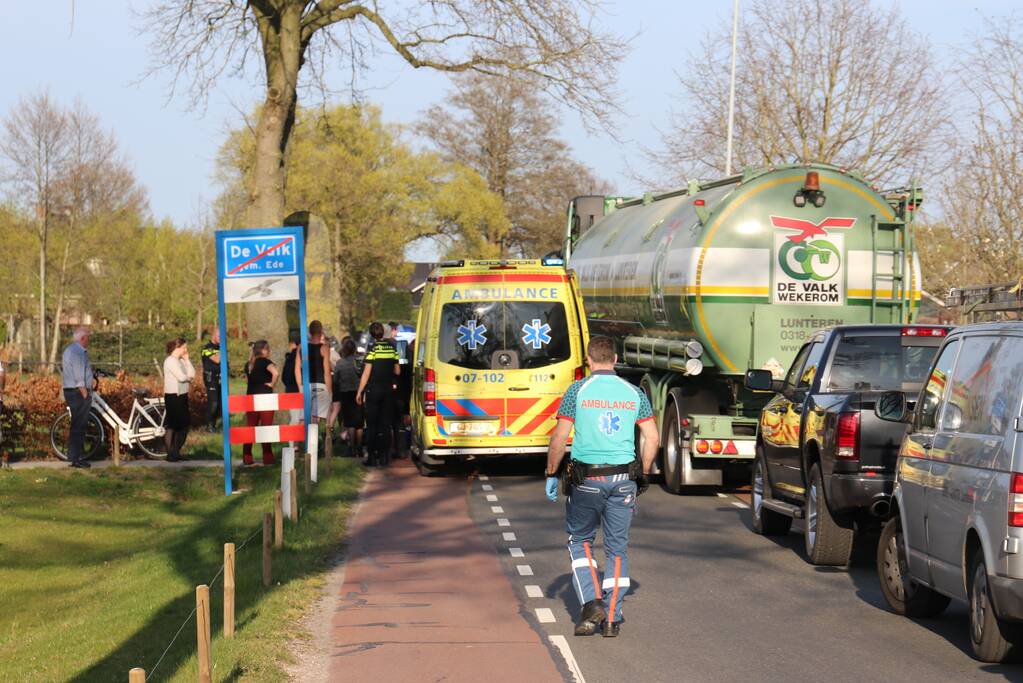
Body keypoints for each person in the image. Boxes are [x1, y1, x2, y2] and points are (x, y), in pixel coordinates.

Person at [544, 335, 660, 638]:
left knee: (580, 540)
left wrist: (550, 473)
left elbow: (559, 438)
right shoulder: (634, 393)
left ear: (588, 360)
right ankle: (610, 618)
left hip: (588, 480)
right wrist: (644, 473)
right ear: (616, 359)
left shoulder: (577, 391)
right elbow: (653, 437)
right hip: (624, 480)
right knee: (617, 549)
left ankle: (592, 601)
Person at [356, 322, 400, 467]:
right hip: (388, 390)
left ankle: (372, 456)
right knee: (385, 423)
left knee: (372, 423)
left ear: (372, 334)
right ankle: (385, 456)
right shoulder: (393, 349)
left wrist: (359, 391)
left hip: (374, 390)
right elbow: (397, 371)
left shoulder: (372, 349)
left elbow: (366, 373)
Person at [61, 327, 96, 469]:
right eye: (88, 337)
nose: (89, 340)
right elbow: (78, 375)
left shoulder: (71, 349)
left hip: (73, 391)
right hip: (77, 392)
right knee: (79, 426)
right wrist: (85, 393)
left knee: (77, 425)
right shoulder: (77, 351)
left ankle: (74, 456)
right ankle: (76, 459)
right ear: (82, 338)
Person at [297, 320, 332, 449]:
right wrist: (330, 391)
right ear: (321, 331)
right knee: (315, 419)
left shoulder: (302, 347)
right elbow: (327, 371)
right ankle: (313, 447)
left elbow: (297, 368)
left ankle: (298, 446)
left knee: (302, 417)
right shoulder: (324, 348)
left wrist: (300, 385)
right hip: (320, 385)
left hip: (306, 385)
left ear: (310, 332)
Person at [243, 340, 279, 466]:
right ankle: (267, 457)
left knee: (250, 428)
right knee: (266, 428)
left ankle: (247, 456)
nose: (269, 351)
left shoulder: (249, 364)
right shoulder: (266, 362)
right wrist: (272, 384)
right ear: (263, 350)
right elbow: (276, 373)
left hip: (251, 398)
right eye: (268, 349)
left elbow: (247, 381)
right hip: (265, 398)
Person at [163, 337, 196, 462]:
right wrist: (188, 378)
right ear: (178, 347)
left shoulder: (181, 360)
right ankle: (170, 453)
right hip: (173, 396)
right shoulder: (170, 361)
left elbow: (192, 373)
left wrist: (187, 360)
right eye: (184, 348)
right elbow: (182, 377)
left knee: (184, 424)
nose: (186, 350)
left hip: (182, 395)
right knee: (173, 424)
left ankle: (176, 451)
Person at [333, 337, 364, 457]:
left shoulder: (340, 363)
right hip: (359, 393)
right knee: (360, 422)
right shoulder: (359, 361)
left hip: (345, 393)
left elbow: (335, 379)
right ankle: (360, 447)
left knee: (349, 421)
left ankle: (351, 447)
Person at [389, 322, 414, 458]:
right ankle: (401, 449)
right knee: (400, 421)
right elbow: (404, 370)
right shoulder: (400, 346)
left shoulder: (377, 346)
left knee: (393, 421)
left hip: (391, 388)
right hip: (401, 389)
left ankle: (392, 449)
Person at [201, 328, 222, 432]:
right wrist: (223, 351)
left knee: (220, 403)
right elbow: (217, 360)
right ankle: (209, 425)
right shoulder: (207, 348)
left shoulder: (220, 347)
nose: (221, 339)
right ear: (213, 335)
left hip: (220, 378)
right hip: (211, 378)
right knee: (213, 402)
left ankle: (214, 425)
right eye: (219, 336)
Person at [282, 333, 302, 426]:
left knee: (295, 417)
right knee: (301, 418)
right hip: (300, 389)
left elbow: (283, 377)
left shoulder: (288, 357)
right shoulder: (302, 356)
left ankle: (293, 440)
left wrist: (289, 385)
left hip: (290, 390)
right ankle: (302, 439)